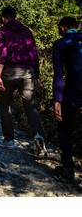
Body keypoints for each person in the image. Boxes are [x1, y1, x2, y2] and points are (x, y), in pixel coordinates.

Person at [0, 6, 47, 154]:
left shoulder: (2, 31)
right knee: (31, 107)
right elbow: (34, 55)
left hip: (9, 72)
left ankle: (9, 140)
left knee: (5, 105)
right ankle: (38, 137)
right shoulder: (27, 31)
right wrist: (37, 75)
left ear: (4, 18)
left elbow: (3, 55)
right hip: (27, 73)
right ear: (15, 17)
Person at [52, 16, 82, 183]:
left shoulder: (61, 44)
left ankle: (68, 169)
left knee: (64, 127)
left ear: (62, 28)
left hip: (71, 94)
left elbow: (58, 75)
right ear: (76, 26)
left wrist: (57, 99)